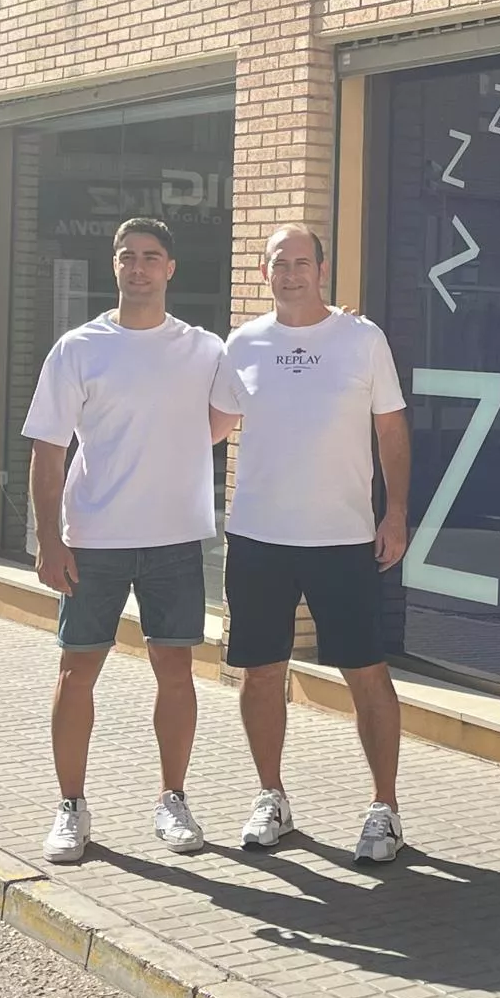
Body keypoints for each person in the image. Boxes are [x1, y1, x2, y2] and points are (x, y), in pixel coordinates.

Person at [209, 224, 412, 862]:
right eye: (280, 263)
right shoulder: (242, 344)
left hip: (345, 538)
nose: (291, 273)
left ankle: (385, 808)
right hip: (258, 538)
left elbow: (392, 432)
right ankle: (271, 797)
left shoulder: (362, 339)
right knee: (261, 673)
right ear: (264, 272)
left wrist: (396, 511)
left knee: (366, 672)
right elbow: (205, 430)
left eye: (302, 262)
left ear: (321, 270)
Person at [26, 217, 223, 863]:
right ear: (114, 266)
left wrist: (335, 322)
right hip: (93, 540)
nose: (138, 268)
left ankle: (173, 799)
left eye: (151, 257)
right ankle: (71, 808)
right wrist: (50, 541)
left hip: (173, 540)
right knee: (76, 669)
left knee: (175, 672)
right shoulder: (78, 349)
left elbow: (246, 398)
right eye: (127, 257)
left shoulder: (203, 349)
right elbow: (48, 452)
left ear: (170, 269)